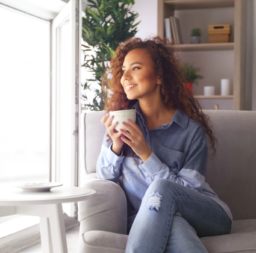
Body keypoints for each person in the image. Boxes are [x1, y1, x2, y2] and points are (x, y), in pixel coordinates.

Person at [96, 36, 232, 253]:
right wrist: (115, 146)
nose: (125, 77)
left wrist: (146, 154)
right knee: (174, 225)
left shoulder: (190, 131)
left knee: (161, 188)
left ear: (159, 76)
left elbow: (187, 192)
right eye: (123, 70)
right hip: (153, 218)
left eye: (136, 68)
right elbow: (104, 180)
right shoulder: (123, 121)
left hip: (208, 214)